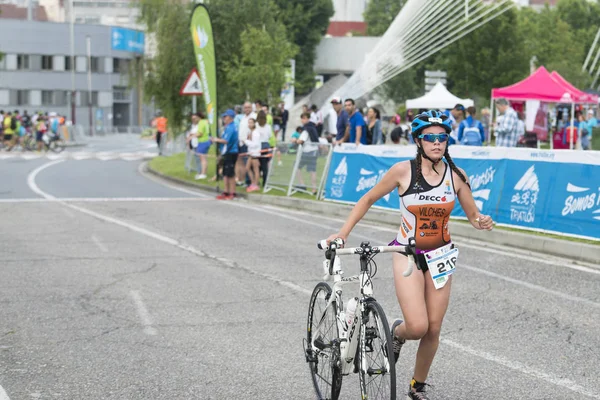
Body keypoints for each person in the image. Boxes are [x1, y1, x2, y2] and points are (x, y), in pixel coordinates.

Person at [326, 110, 494, 400]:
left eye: (442, 137)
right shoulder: (403, 171)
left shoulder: (456, 176)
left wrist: (482, 221)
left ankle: (417, 385)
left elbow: (473, 214)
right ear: (418, 141)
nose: (437, 143)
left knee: (434, 328)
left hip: (441, 256)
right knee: (417, 326)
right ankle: (398, 334)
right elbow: (367, 199)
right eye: (430, 138)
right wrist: (343, 233)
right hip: (407, 253)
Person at [210, 109, 238, 200]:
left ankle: (232, 192)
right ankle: (226, 191)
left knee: (230, 173)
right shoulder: (228, 127)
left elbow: (226, 140)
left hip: (231, 152)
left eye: (225, 117)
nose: (224, 118)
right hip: (226, 152)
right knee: (225, 173)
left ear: (230, 117)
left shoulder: (231, 127)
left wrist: (216, 140)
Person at [296, 112, 320, 194]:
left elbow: (301, 140)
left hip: (308, 151)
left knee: (297, 167)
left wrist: (295, 140)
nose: (302, 120)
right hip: (314, 151)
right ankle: (314, 189)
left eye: (303, 118)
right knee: (312, 170)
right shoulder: (312, 127)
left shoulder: (306, 129)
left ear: (307, 118)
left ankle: (302, 184)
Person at [255, 110, 273, 187]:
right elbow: (269, 136)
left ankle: (257, 181)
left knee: (257, 165)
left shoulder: (256, 125)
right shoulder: (268, 126)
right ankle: (265, 182)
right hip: (265, 145)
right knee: (264, 165)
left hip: (258, 145)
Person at [244, 118, 261, 192]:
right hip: (251, 153)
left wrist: (246, 141)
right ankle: (253, 182)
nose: (249, 124)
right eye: (249, 123)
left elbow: (255, 144)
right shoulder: (250, 132)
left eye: (251, 123)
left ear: (254, 123)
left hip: (255, 153)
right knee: (247, 168)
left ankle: (256, 185)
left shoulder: (255, 133)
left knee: (255, 169)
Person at [194, 112, 211, 179]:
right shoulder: (205, 121)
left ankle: (203, 174)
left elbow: (200, 133)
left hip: (202, 141)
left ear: (199, 117)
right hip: (207, 141)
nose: (195, 120)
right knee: (204, 158)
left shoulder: (201, 123)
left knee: (202, 159)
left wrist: (192, 136)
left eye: (195, 118)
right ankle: (203, 173)